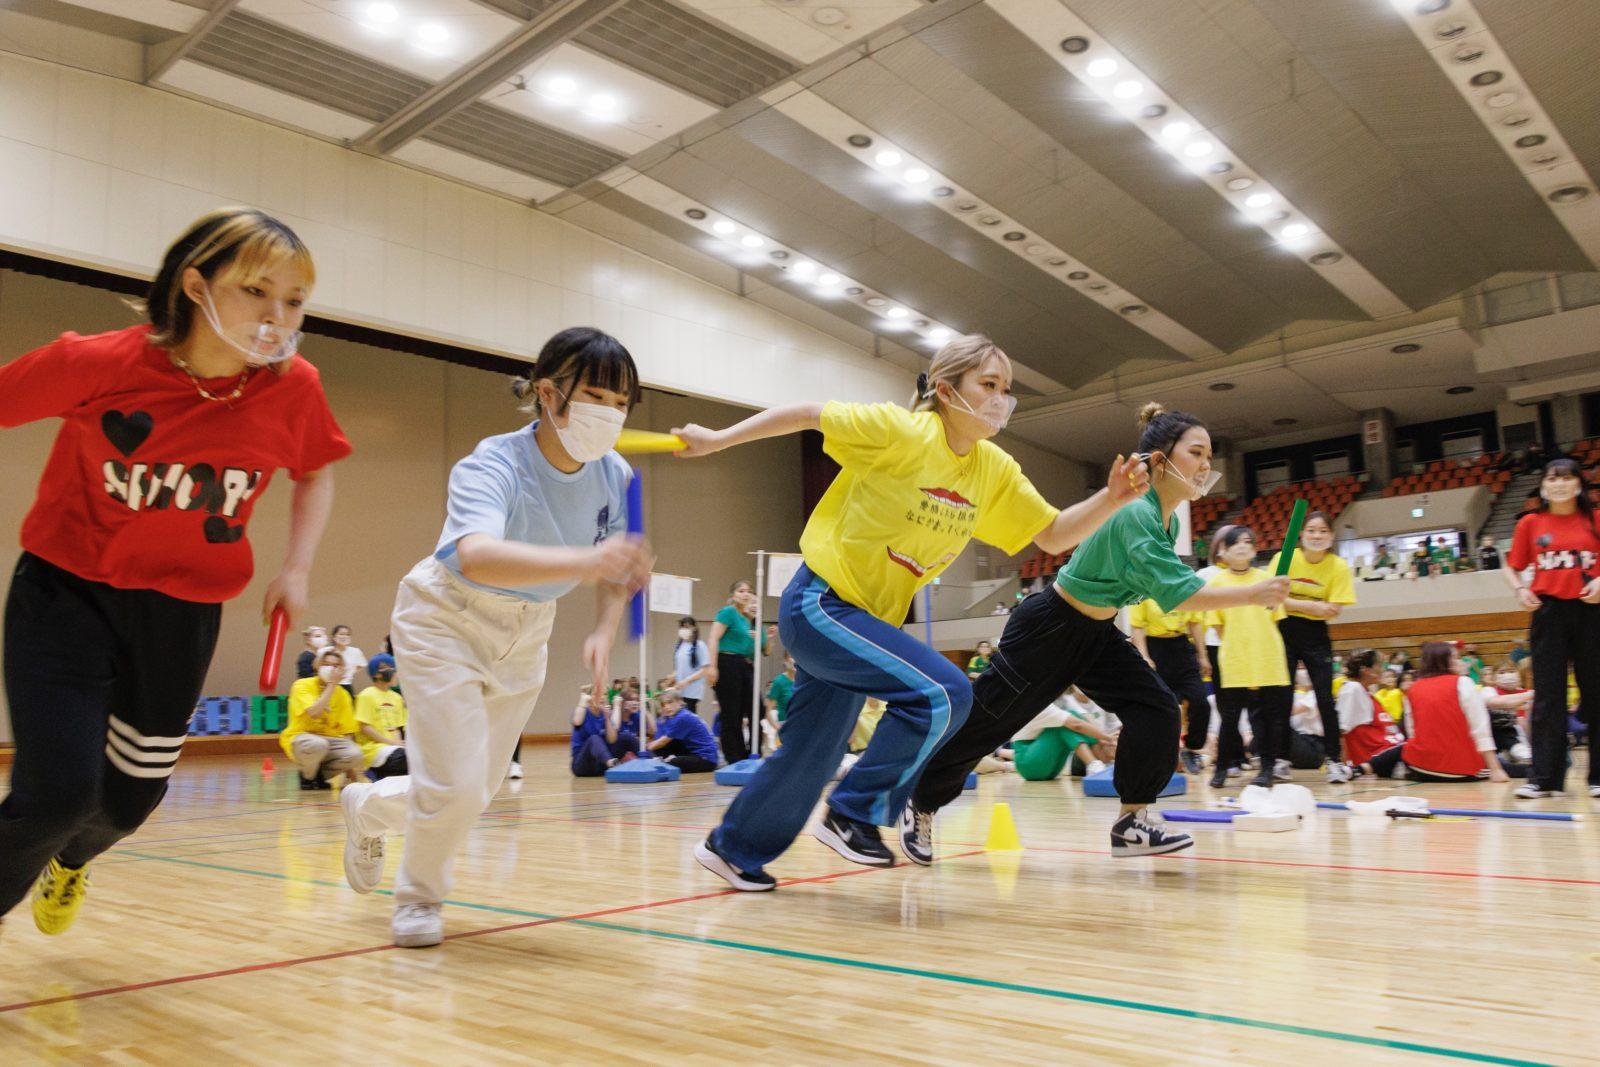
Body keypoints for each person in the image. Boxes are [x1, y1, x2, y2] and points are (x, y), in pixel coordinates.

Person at [675, 334, 1146, 890]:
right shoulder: (901, 431)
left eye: (1006, 389)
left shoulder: (992, 469)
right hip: (821, 602)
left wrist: (1111, 499)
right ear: (947, 390)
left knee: (813, 751)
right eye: (988, 386)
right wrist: (717, 440)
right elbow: (807, 413)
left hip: (866, 623)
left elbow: (1049, 533)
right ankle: (854, 815)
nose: (1001, 400)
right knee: (944, 692)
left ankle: (732, 850)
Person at [0, 207, 346, 936]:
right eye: (257, 291)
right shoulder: (99, 363)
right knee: (56, 792)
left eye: (294, 300)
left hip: (181, 613)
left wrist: (297, 566)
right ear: (196, 284)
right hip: (65, 593)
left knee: (128, 804)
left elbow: (314, 472)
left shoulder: (294, 385)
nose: (276, 317)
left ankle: (70, 864)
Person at [335, 326, 653, 945]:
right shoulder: (493, 462)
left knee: (473, 792)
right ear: (548, 393)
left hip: (528, 631)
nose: (609, 415)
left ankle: (367, 809)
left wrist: (604, 628)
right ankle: (420, 900)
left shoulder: (617, 475)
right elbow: (477, 555)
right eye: (595, 396)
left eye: (621, 404)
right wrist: (586, 564)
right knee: (451, 786)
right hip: (444, 617)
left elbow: (621, 565)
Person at [906, 405, 1290, 865]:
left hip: (1096, 633)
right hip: (1049, 628)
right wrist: (1254, 593)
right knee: (988, 725)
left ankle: (1133, 822)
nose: (1206, 465)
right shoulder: (1135, 514)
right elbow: (1177, 593)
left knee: (1156, 707)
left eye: (1210, 455)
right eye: (1196, 452)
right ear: (1160, 459)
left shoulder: (1164, 521)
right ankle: (918, 803)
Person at [1503, 458, 1600, 799]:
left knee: (1596, 692)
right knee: (1547, 697)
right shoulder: (1530, 523)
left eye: (1566, 477)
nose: (1558, 483)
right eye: (1552, 478)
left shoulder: (1595, 518)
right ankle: (1544, 778)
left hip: (1592, 612)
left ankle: (1597, 778)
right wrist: (1519, 589)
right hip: (1549, 613)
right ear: (1544, 486)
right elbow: (1513, 565)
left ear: (1578, 484)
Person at [1270, 511, 1357, 781]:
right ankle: (1280, 759)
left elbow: (1334, 610)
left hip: (1316, 635)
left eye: (1322, 531)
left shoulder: (1338, 566)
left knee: (1324, 698)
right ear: (1302, 535)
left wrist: (1295, 602)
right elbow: (1272, 598)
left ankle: (1333, 761)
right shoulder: (1284, 559)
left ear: (1331, 537)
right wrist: (1310, 606)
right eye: (1311, 531)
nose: (1317, 536)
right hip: (1283, 629)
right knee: (1281, 697)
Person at [1206, 524, 1293, 789]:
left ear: (1255, 550)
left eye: (1247, 542)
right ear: (1224, 551)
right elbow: (1217, 625)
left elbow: (1276, 617)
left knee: (1268, 717)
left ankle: (1266, 768)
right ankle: (1221, 768)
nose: (1242, 546)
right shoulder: (1217, 583)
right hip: (1235, 658)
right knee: (1229, 717)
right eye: (1235, 543)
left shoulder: (1268, 579)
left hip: (1267, 657)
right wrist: (1240, 644)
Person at [1352, 643, 1510, 783]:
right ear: (1444, 661)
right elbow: (1480, 729)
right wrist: (1495, 769)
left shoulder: (1412, 688)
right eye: (1456, 658)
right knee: (1512, 768)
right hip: (1461, 770)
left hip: (1420, 768)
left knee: (1405, 747)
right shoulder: (1463, 682)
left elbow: (1412, 733)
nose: (1461, 662)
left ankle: (1362, 769)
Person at [1127, 596, 1209, 774]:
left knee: (1200, 701)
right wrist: (1144, 656)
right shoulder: (1143, 589)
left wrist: (1203, 656)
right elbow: (1138, 627)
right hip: (1155, 648)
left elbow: (1195, 623)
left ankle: (1191, 749)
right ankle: (1161, 755)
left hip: (1181, 647)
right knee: (1162, 708)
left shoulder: (1182, 586)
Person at [282, 647, 365, 789]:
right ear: (317, 666)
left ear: (342, 670)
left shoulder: (343, 695)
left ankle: (320, 775)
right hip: (302, 738)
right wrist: (331, 685)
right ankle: (307, 776)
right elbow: (314, 712)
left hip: (330, 741)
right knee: (318, 744)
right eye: (326, 664)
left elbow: (348, 732)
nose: (331, 669)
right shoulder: (302, 685)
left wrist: (349, 771)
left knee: (356, 754)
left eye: (336, 666)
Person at [706, 580, 765, 764]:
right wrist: (712, 667)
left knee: (757, 708)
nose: (746, 594)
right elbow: (713, 638)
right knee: (731, 713)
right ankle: (734, 757)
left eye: (748, 591)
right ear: (733, 595)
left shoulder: (746, 619)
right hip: (727, 662)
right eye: (741, 591)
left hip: (743, 664)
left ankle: (750, 753)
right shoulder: (728, 612)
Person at [1010, 696, 1118, 780]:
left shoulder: (1050, 704)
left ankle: (1100, 765)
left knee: (1072, 719)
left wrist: (1104, 739)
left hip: (1046, 768)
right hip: (1028, 764)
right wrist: (1107, 738)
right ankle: (1094, 766)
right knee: (1066, 723)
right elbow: (1077, 725)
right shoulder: (1037, 703)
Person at [1336, 650, 1401, 770]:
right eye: (1379, 666)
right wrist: (1343, 768)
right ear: (1365, 670)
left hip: (1392, 752)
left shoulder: (1366, 693)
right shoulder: (1352, 689)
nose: (1382, 670)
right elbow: (1341, 730)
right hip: (1379, 757)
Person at [354, 658, 408, 781]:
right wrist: (391, 743)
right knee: (404, 758)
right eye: (391, 668)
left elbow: (397, 728)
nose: (395, 673)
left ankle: (387, 777)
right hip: (374, 748)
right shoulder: (366, 695)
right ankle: (375, 771)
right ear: (377, 674)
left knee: (415, 756)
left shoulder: (396, 698)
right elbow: (365, 727)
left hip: (392, 747)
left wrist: (398, 744)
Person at [570, 690, 640, 777]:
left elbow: (612, 740)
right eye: (598, 694)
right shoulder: (582, 711)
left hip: (601, 765)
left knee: (626, 736)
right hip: (583, 766)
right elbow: (577, 722)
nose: (602, 697)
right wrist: (583, 701)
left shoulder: (606, 713)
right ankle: (611, 763)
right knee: (594, 739)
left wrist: (607, 717)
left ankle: (653, 759)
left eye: (605, 694)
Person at [647, 690, 719, 772]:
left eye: (670, 702)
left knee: (672, 763)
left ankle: (659, 763)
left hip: (706, 759)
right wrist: (661, 721)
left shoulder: (682, 717)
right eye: (663, 705)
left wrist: (646, 751)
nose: (666, 707)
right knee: (662, 750)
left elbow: (662, 742)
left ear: (680, 702)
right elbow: (659, 739)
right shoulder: (672, 717)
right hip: (693, 752)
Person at [670, 616, 711, 715]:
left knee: (688, 716)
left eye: (687, 627)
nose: (685, 630)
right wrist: (672, 676)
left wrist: (686, 681)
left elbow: (705, 670)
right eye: (682, 627)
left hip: (692, 691)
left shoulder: (700, 645)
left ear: (694, 628)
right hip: (680, 690)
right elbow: (679, 667)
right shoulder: (681, 646)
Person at [328, 624, 365, 695]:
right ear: (334, 637)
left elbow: (361, 665)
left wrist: (351, 672)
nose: (344, 637)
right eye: (341, 634)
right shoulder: (326, 651)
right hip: (330, 685)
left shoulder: (356, 651)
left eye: (347, 635)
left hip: (347, 685)